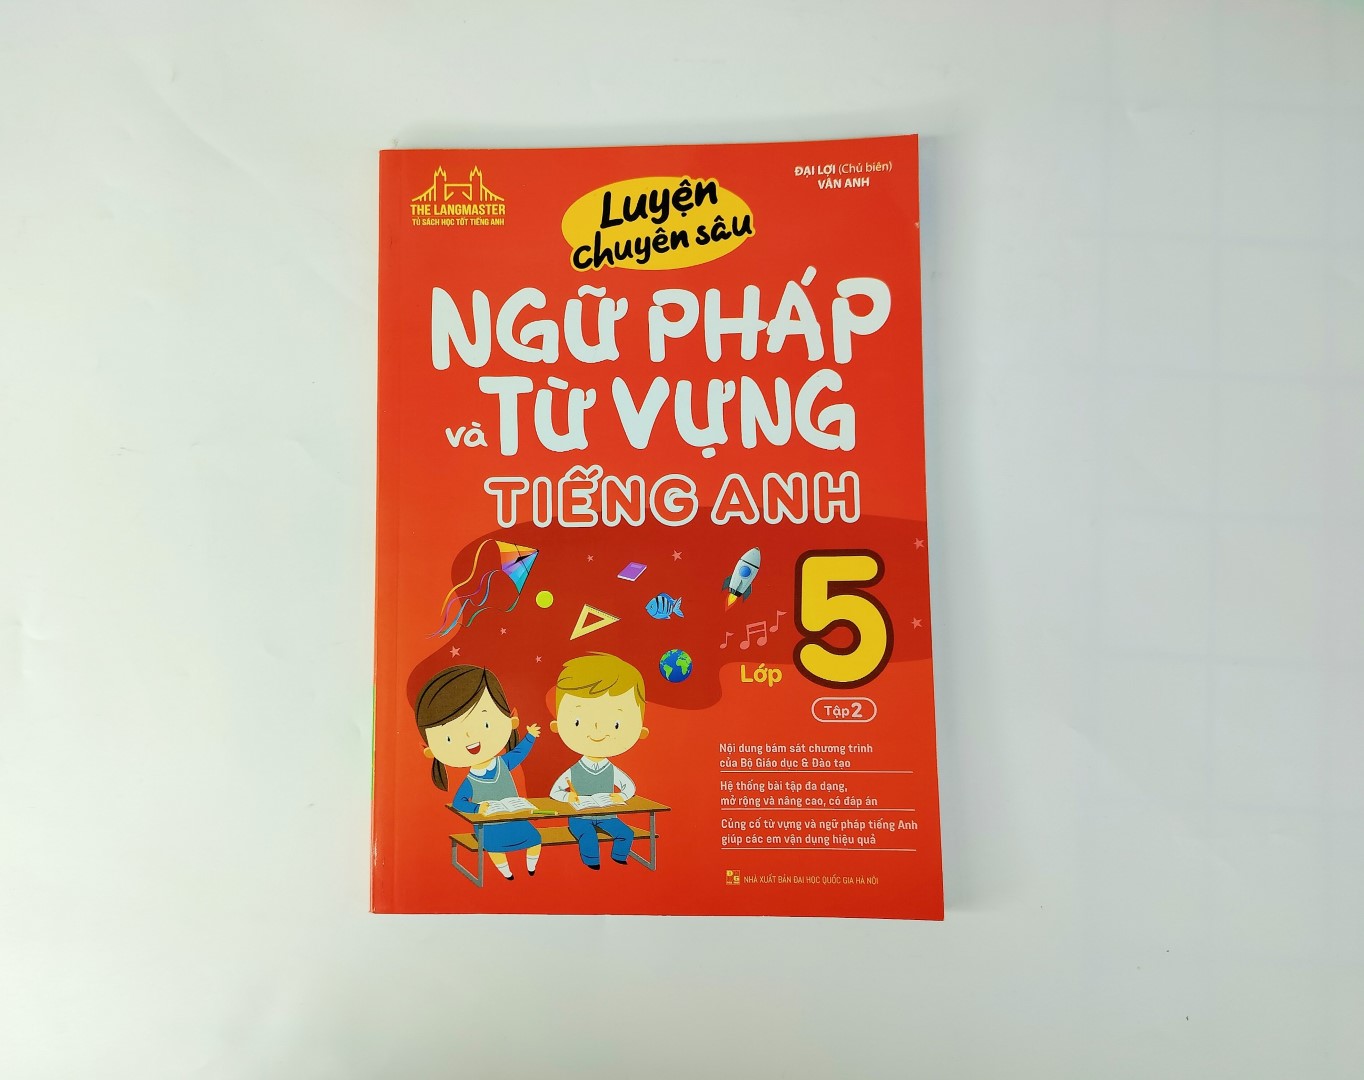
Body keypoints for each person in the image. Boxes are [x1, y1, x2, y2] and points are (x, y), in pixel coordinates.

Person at [415, 665, 542, 880]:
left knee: (536, 838)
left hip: (515, 820)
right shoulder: (471, 780)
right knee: (493, 847)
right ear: (430, 751)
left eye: (485, 724)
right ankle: (506, 872)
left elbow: (518, 753)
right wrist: (477, 808)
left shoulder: (503, 763)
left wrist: (530, 737)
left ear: (510, 720)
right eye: (449, 738)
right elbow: (459, 803)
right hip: (489, 827)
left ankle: (531, 867)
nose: (469, 737)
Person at [547, 653, 649, 870]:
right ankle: (592, 863)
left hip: (607, 815)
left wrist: (620, 796)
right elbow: (555, 792)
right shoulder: (573, 770)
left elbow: (629, 787)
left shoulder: (611, 769)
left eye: (616, 724)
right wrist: (568, 796)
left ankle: (619, 857)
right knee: (588, 837)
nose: (597, 731)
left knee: (626, 833)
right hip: (579, 817)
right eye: (577, 721)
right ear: (558, 726)